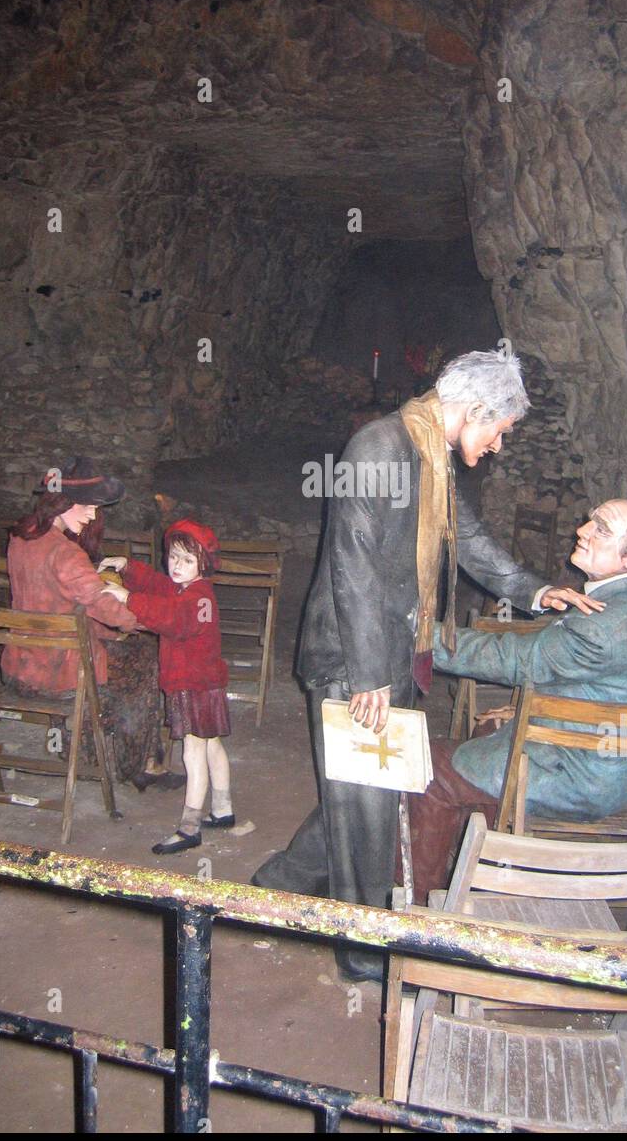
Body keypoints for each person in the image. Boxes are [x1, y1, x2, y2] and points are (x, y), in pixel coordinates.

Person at [252, 349, 600, 982]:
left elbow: (466, 539)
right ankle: (364, 954)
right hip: (354, 659)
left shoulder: (432, 456)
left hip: (397, 649)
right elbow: (352, 566)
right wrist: (368, 678)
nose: (497, 446)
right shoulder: (379, 448)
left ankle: (277, 884)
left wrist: (532, 591)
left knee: (368, 793)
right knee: (366, 806)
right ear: (475, 410)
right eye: (500, 430)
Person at [408, 498, 627, 902]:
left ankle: (416, 914)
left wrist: (416, 636)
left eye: (601, 529)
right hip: (621, 766)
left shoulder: (602, 628)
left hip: (581, 778)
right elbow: (603, 680)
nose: (582, 531)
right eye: (590, 521)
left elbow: (514, 660)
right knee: (489, 728)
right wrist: (527, 709)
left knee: (425, 769)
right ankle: (473, 878)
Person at [3, 456, 159, 785]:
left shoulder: (21, 537)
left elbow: (66, 600)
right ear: (61, 502)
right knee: (145, 657)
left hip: (22, 665)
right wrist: (153, 618)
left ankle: (82, 746)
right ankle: (133, 763)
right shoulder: (66, 553)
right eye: (87, 506)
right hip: (61, 674)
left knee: (111, 648)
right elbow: (108, 610)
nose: (93, 515)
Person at [101, 519, 233, 855]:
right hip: (203, 682)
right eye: (174, 557)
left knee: (194, 752)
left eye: (188, 561)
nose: (177, 566)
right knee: (212, 745)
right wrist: (129, 568)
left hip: (195, 685)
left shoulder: (198, 597)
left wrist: (128, 597)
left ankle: (190, 827)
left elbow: (172, 619)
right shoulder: (182, 587)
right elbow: (159, 585)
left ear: (203, 564)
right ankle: (222, 809)